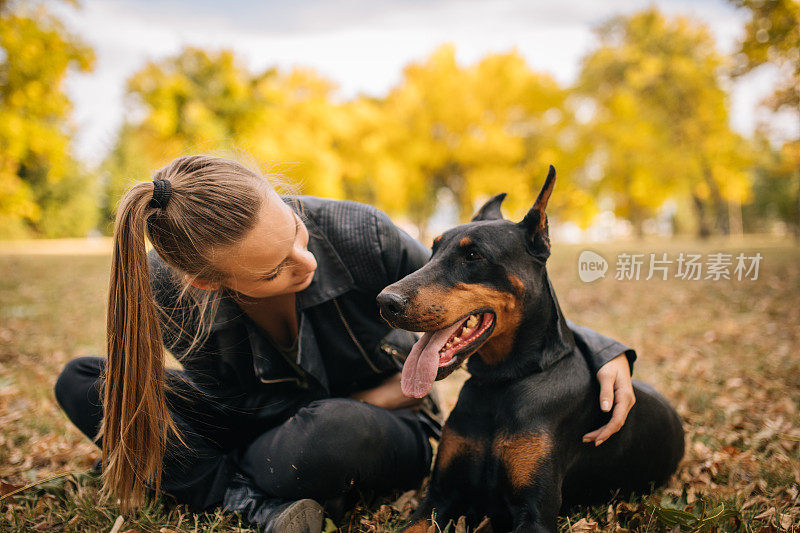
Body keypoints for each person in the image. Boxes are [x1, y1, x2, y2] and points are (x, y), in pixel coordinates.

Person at [54, 155, 637, 533]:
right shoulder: (169, 286)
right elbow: (213, 401)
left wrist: (602, 348)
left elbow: (492, 292)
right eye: (274, 270)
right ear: (208, 282)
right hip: (257, 423)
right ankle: (250, 501)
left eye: (296, 233)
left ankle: (208, 471)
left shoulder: (362, 233)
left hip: (371, 430)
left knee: (319, 435)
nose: (304, 261)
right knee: (83, 379)